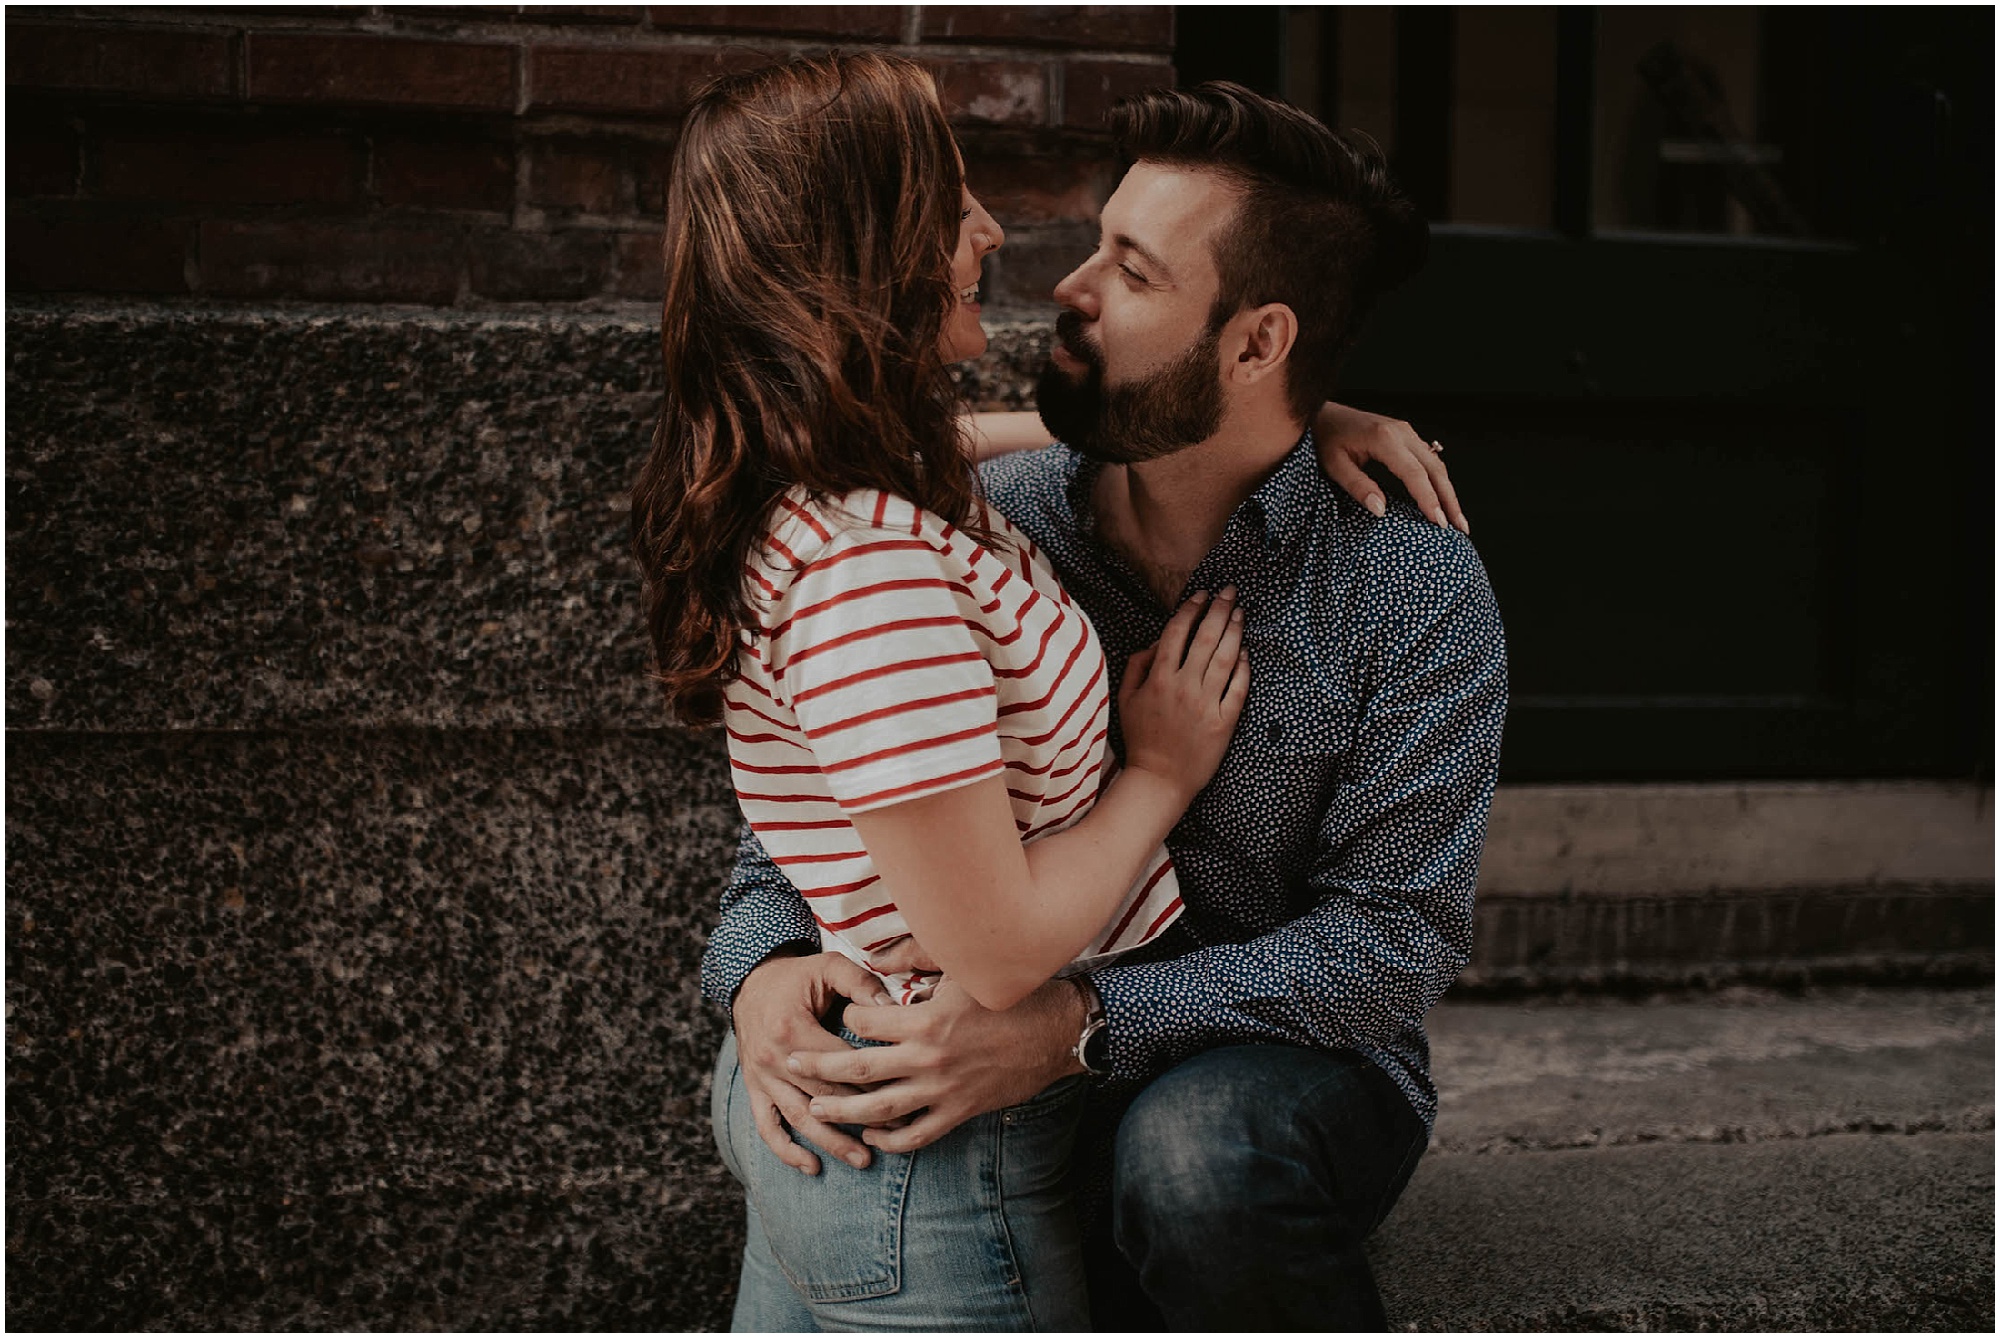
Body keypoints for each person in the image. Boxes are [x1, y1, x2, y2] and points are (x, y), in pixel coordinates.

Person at [633, 53, 1459, 1331]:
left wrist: (1076, 1023)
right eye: (1096, 243)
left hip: (1256, 1064)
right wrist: (754, 975)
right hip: (950, 1091)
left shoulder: (1405, 586)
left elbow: (1394, 942)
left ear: (1256, 342)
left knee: (1194, 1162)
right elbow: (818, 825)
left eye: (1130, 271)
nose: (1059, 283)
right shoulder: (980, 525)